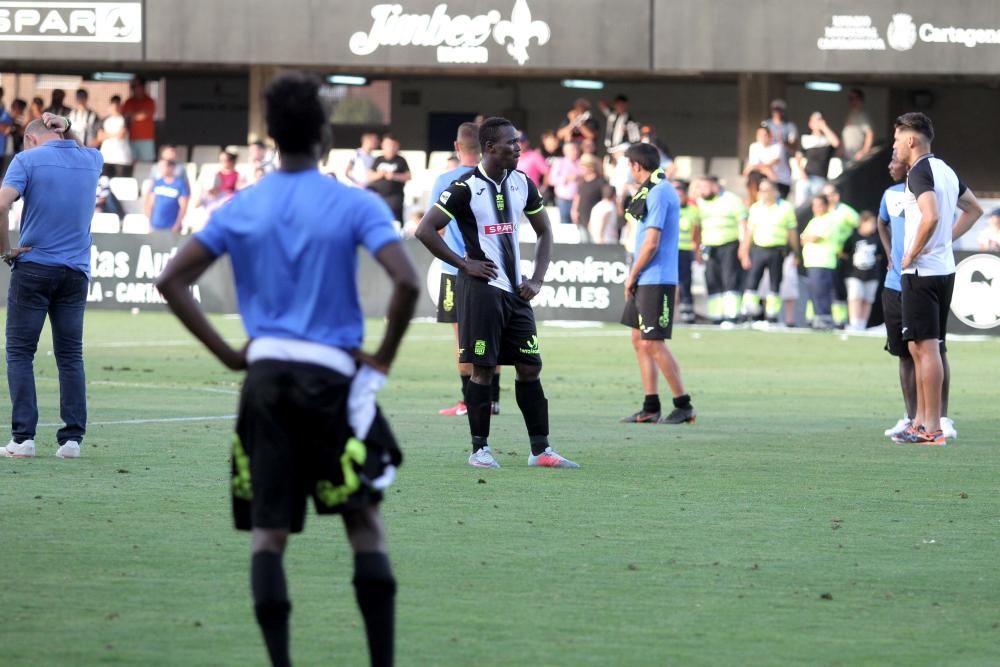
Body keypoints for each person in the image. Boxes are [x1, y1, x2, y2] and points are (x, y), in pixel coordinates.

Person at [155, 72, 419, 667]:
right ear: (324, 134)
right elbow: (406, 280)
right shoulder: (355, 202)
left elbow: (171, 279)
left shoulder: (241, 206)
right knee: (364, 526)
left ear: (271, 135)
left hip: (266, 380)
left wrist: (229, 354)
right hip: (333, 380)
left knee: (269, 534)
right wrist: (383, 357)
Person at [415, 116, 579, 469]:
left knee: (531, 367)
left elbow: (545, 232)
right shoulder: (464, 187)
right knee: (482, 370)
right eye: (511, 143)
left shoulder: (523, 183)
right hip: (481, 292)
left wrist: (536, 279)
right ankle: (480, 450)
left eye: (518, 142)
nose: (519, 148)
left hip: (516, 293)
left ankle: (540, 450)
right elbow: (425, 230)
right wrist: (464, 263)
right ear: (490, 148)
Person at [0, 114, 103, 459]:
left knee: (19, 352)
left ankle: (23, 439)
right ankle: (72, 441)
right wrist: (68, 126)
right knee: (70, 354)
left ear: (29, 138)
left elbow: (1, 203)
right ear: (59, 130)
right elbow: (77, 147)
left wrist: (5, 250)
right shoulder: (92, 159)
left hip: (35, 267)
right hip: (76, 272)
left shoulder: (26, 160)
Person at [890, 112, 982, 446]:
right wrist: (945, 240)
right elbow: (974, 209)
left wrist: (912, 252)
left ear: (912, 140)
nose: (895, 145)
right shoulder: (945, 169)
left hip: (922, 272)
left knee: (925, 350)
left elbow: (931, 216)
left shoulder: (918, 172)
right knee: (925, 348)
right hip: (943, 270)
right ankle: (925, 423)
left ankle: (930, 428)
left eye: (898, 138)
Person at [618, 144, 696, 425]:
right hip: (645, 276)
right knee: (639, 341)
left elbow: (651, 243)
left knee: (653, 342)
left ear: (637, 166)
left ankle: (683, 404)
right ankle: (650, 405)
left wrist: (632, 274)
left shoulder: (661, 192)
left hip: (656, 277)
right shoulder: (651, 190)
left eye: (629, 165)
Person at [429, 122, 502, 418]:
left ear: (457, 147)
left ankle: (468, 401)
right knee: (492, 335)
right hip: (492, 269)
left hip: (455, 269)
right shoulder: (495, 177)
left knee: (462, 340)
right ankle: (493, 400)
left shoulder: (446, 180)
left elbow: (437, 227)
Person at [739, 179, 799, 324]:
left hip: (777, 251)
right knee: (752, 282)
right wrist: (745, 252)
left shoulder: (786, 208)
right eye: (761, 190)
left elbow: (792, 232)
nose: (763, 194)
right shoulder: (755, 208)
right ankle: (748, 313)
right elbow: (749, 232)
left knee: (775, 283)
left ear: (774, 191)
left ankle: (771, 316)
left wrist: (797, 252)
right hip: (759, 249)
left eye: (766, 190)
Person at [696, 175, 747, 325]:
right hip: (710, 247)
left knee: (729, 279)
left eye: (704, 187)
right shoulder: (701, 203)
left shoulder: (732, 200)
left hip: (729, 245)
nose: (701, 191)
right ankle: (716, 316)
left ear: (714, 186)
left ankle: (732, 315)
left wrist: (743, 247)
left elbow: (743, 224)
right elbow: (697, 228)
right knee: (712, 280)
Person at [822, 183, 859, 328]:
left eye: (829, 195)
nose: (826, 198)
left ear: (836, 196)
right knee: (821, 288)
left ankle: (839, 320)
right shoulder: (822, 211)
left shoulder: (846, 212)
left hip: (839, 257)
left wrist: (848, 249)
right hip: (822, 257)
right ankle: (819, 317)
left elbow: (860, 228)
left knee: (838, 289)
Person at [800, 194, 839, 329]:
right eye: (814, 205)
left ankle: (825, 319)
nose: (816, 208)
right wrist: (806, 237)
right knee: (815, 292)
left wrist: (807, 237)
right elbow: (803, 238)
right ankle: (818, 319)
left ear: (826, 205)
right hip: (812, 262)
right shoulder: (814, 220)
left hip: (823, 262)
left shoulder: (830, 219)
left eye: (819, 205)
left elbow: (814, 238)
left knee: (822, 292)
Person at [843, 211, 884, 330]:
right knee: (855, 297)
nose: (873, 226)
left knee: (867, 299)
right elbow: (844, 253)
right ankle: (854, 323)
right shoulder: (853, 237)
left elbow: (879, 255)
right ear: (862, 222)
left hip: (872, 275)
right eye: (870, 223)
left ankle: (862, 324)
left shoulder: (876, 239)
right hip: (854, 274)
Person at [795, 112, 840, 207]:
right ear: (810, 124)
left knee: (819, 203)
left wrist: (824, 127)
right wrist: (801, 172)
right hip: (807, 177)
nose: (817, 123)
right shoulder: (806, 139)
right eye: (815, 121)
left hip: (821, 178)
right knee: (801, 201)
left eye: (819, 120)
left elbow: (836, 143)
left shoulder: (827, 140)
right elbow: (798, 157)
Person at [673, 179, 700, 324]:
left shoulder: (693, 210)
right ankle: (667, 312)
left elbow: (696, 234)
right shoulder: (667, 209)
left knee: (684, 282)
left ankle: (687, 313)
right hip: (668, 252)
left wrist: (696, 253)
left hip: (684, 251)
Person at [367, 135, 410, 223]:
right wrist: (380, 174)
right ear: (383, 145)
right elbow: (369, 176)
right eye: (388, 145)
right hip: (378, 197)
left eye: (393, 145)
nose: (390, 148)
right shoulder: (378, 159)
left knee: (395, 221)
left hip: (395, 198)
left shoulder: (401, 160)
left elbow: (408, 176)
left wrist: (394, 176)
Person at [744, 125, 791, 202]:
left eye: (764, 135)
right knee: (752, 177)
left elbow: (770, 164)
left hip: (780, 182)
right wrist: (766, 171)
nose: (762, 137)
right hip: (764, 179)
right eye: (759, 135)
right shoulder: (754, 146)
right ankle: (753, 201)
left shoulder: (778, 146)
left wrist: (763, 170)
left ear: (770, 136)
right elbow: (754, 166)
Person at [144, 159, 189, 234]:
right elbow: (150, 204)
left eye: (163, 167)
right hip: (155, 225)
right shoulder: (157, 183)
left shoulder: (180, 184)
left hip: (171, 226)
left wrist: (177, 224)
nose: (160, 170)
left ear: (171, 167)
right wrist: (149, 222)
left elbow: (183, 207)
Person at [571, 153, 605, 242]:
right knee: (583, 241)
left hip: (594, 220)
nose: (581, 169)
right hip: (582, 217)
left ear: (591, 167)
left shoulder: (600, 182)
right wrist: (574, 210)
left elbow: (605, 201)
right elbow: (578, 196)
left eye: (583, 166)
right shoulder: (582, 181)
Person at [122, 77, 156, 165]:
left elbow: (143, 115)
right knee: (131, 163)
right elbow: (126, 116)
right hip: (131, 138)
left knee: (146, 163)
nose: (135, 89)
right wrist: (135, 115)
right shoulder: (128, 102)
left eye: (138, 86)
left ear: (143, 87)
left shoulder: (149, 101)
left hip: (146, 138)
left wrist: (133, 115)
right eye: (134, 86)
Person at [98, 95, 131, 178]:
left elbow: (121, 135)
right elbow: (100, 137)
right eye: (113, 105)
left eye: (117, 105)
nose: (115, 107)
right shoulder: (104, 120)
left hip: (121, 158)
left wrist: (107, 135)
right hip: (106, 157)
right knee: (105, 181)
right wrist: (114, 134)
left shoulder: (125, 118)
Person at [549, 141, 581, 225]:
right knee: (566, 224)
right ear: (565, 152)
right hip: (564, 199)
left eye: (576, 149)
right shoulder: (559, 162)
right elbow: (552, 180)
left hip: (578, 199)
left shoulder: (580, 163)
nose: (575, 151)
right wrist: (566, 178)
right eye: (572, 149)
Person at [842, 89, 873, 165]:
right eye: (850, 99)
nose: (852, 101)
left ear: (860, 100)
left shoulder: (862, 116)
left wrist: (864, 151)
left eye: (855, 98)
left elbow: (869, 134)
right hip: (847, 156)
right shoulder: (850, 115)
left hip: (855, 157)